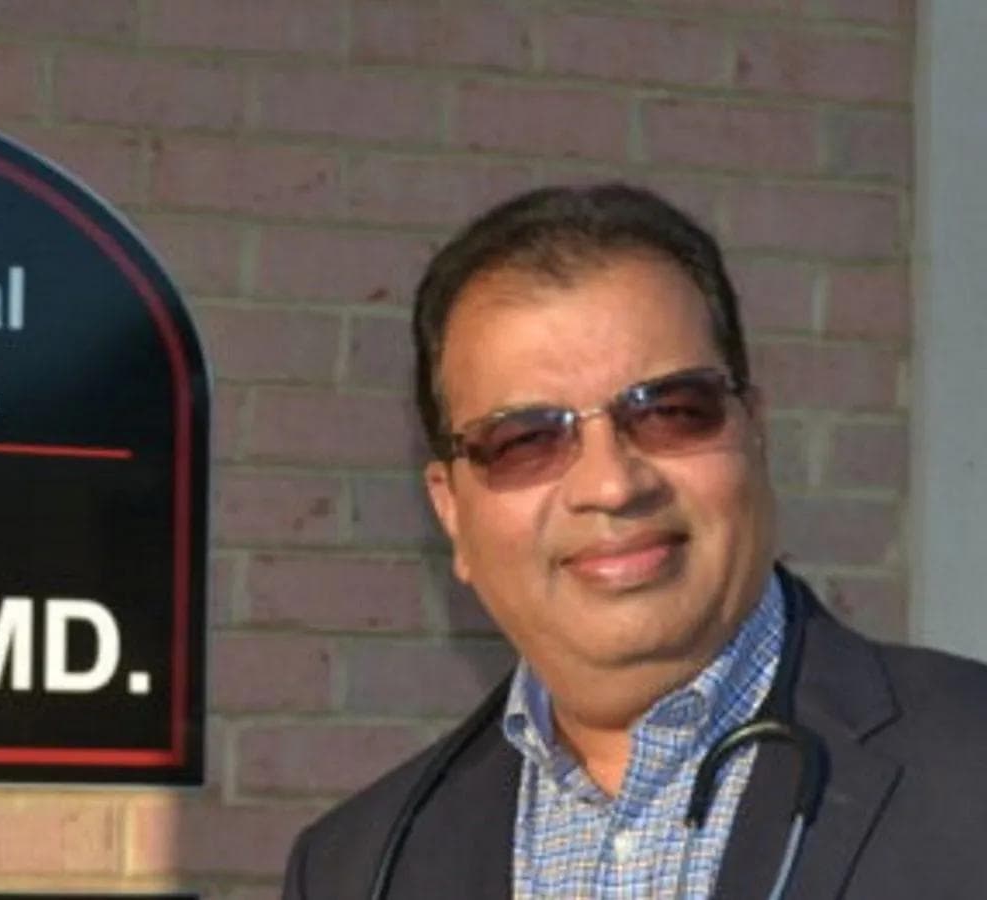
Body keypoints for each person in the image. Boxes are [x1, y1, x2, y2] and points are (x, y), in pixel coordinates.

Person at [281, 184, 987, 899]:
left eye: (672, 412)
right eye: (526, 440)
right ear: (452, 512)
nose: (612, 485)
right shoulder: (359, 869)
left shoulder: (969, 767)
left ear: (755, 429)